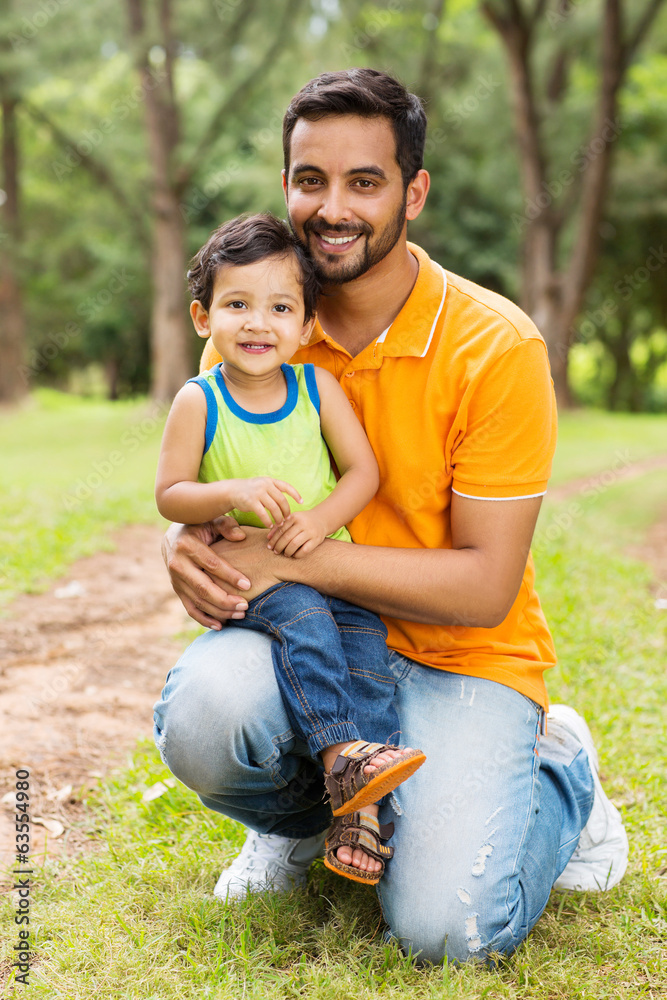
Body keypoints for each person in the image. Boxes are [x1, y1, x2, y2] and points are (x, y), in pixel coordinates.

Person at [153, 68, 629, 964]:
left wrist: (291, 562)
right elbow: (217, 467)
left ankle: (561, 776)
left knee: (446, 932)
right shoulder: (267, 321)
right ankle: (306, 821)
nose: (331, 208)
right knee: (207, 715)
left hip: (462, 657)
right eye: (309, 180)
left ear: (413, 192)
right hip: (317, 645)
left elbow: (486, 587)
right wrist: (187, 541)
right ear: (286, 184)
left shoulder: (494, 347)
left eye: (363, 182)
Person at [154, 212, 425, 885]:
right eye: (236, 305)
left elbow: (363, 472)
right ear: (202, 317)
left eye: (279, 308)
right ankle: (339, 763)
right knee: (305, 625)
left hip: (327, 565)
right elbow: (170, 494)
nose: (256, 323)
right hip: (258, 580)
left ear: (306, 326)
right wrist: (229, 492)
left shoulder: (315, 388)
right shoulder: (200, 400)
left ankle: (362, 811)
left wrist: (321, 518)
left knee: (365, 656)